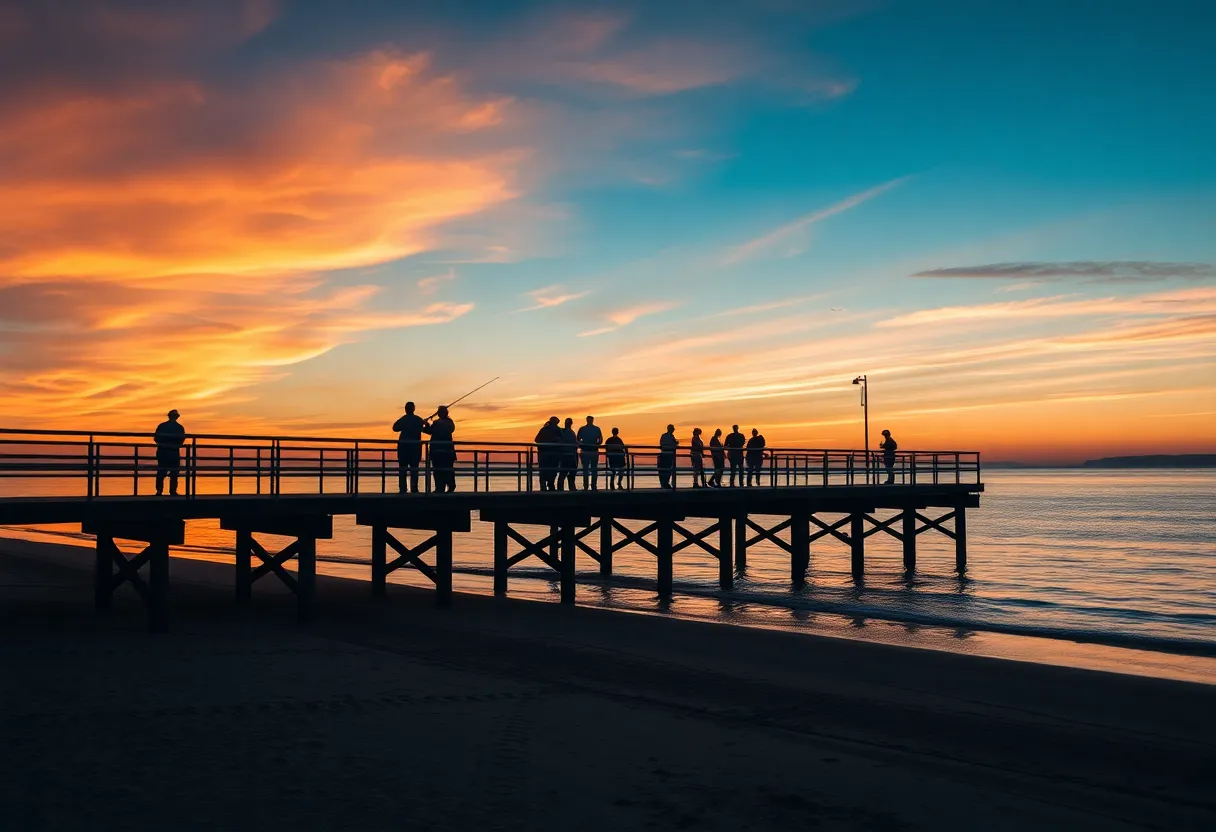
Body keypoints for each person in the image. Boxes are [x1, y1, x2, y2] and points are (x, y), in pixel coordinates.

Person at [392, 401, 426, 493]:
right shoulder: (418, 419)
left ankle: (403, 489)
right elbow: (426, 429)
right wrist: (424, 423)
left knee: (403, 469)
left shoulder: (403, 419)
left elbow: (395, 428)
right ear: (414, 409)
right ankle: (414, 488)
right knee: (414, 469)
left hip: (403, 448)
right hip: (415, 448)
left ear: (405, 409)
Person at [422, 405, 457, 493]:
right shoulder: (441, 423)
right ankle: (440, 488)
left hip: (442, 451)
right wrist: (426, 424)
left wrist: (428, 423)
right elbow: (429, 431)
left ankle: (449, 487)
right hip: (441, 451)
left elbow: (432, 430)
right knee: (439, 471)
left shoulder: (446, 423)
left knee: (445, 470)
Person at [153, 409, 185, 496]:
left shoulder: (162, 426)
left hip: (162, 451)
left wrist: (164, 443)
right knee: (174, 472)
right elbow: (181, 441)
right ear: (177, 417)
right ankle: (173, 491)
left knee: (161, 471)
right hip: (174, 452)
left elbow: (156, 438)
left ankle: (159, 491)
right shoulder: (179, 428)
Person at [534, 416, 563, 491]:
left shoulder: (544, 429)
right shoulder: (557, 430)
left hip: (544, 453)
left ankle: (544, 486)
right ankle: (549, 485)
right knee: (552, 470)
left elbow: (537, 440)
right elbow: (562, 440)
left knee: (545, 470)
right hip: (552, 453)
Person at [577, 415, 603, 490]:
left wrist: (582, 444)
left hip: (587, 451)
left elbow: (578, 439)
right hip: (591, 451)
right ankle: (592, 486)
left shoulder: (583, 429)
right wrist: (596, 444)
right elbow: (600, 440)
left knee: (588, 469)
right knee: (592, 469)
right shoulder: (595, 429)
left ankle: (588, 486)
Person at [558, 417, 578, 491]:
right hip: (565, 454)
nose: (568, 424)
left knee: (573, 471)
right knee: (563, 472)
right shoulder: (562, 431)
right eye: (567, 423)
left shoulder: (572, 432)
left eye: (569, 422)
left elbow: (575, 442)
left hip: (573, 454)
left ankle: (572, 486)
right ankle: (560, 488)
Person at [657, 424, 678, 489]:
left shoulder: (663, 436)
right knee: (668, 470)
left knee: (664, 470)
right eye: (673, 429)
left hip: (663, 454)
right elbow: (674, 445)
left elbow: (661, 444)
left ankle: (664, 484)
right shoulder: (671, 437)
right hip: (668, 455)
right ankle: (665, 483)